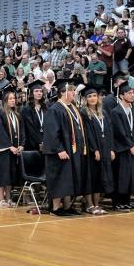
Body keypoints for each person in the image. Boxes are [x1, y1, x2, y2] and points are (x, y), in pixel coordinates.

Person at [42, 80, 85, 216]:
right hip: (60, 152)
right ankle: (55, 208)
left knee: (69, 179)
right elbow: (52, 132)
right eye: (72, 91)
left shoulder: (73, 108)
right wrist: (59, 149)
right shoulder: (55, 109)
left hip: (73, 151)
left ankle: (67, 206)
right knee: (60, 179)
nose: (74, 93)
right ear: (63, 93)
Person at [80, 86, 112, 215]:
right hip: (92, 152)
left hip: (104, 149)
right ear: (85, 99)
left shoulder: (103, 112)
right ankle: (89, 205)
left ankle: (97, 204)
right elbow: (87, 134)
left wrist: (111, 149)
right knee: (90, 178)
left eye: (94, 96)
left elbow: (109, 132)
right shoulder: (84, 113)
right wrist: (95, 150)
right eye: (89, 96)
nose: (92, 98)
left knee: (100, 177)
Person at [110, 82, 134, 211]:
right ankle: (117, 202)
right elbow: (119, 132)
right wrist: (130, 145)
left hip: (133, 148)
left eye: (133, 93)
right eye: (129, 93)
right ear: (122, 95)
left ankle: (126, 201)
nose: (132, 95)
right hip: (121, 149)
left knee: (130, 176)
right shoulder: (116, 111)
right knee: (120, 176)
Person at [0, 86, 23, 208]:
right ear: (5, 100)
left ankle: (9, 198)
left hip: (15, 150)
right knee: (2, 174)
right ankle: (1, 199)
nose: (13, 100)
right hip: (3, 151)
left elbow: (22, 132)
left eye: (14, 98)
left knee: (11, 174)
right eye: (10, 99)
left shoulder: (17, 115)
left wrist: (21, 145)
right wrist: (9, 147)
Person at [21, 80, 46, 151]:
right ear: (32, 93)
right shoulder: (26, 109)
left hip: (46, 141)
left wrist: (45, 141)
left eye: (41, 91)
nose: (39, 93)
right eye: (36, 91)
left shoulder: (45, 108)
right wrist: (40, 142)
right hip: (32, 143)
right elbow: (30, 128)